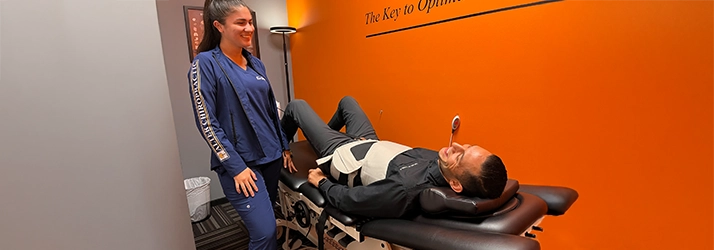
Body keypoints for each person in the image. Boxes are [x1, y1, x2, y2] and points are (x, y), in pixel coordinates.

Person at [280, 96, 508, 219]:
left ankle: (299, 146)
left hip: (344, 155)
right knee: (347, 102)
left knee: (296, 106)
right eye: (465, 146)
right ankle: (319, 141)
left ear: (456, 184)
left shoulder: (406, 189)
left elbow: (350, 200)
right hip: (368, 143)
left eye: (460, 157)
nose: (455, 146)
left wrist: (322, 181)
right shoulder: (442, 164)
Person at [187, 0, 296, 249]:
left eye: (250, 22)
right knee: (266, 232)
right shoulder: (205, 64)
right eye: (241, 23)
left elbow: (270, 111)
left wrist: (284, 146)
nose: (249, 28)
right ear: (219, 26)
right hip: (242, 164)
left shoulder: (256, 64)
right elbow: (206, 122)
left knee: (265, 221)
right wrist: (235, 167)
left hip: (271, 157)